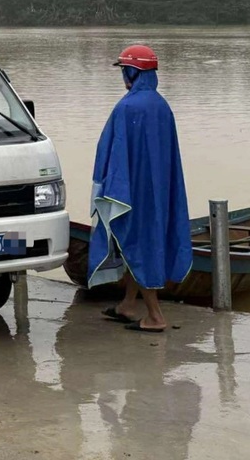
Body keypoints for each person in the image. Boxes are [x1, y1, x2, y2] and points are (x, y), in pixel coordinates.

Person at [88, 44, 192, 333]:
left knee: (137, 243)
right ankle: (127, 304)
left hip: (132, 192)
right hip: (159, 192)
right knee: (139, 243)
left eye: (124, 70)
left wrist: (107, 188)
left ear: (133, 73)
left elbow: (113, 152)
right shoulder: (162, 106)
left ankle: (155, 317)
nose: (123, 76)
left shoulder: (127, 107)